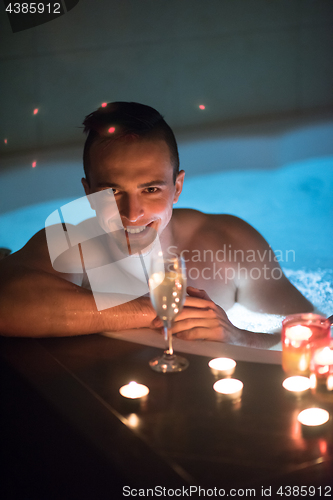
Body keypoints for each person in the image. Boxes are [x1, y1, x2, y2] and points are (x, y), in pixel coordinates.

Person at [0, 102, 313, 347]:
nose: (132, 213)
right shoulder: (74, 238)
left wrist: (241, 338)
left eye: (150, 189)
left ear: (176, 188)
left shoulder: (228, 241)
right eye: (111, 192)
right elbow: (7, 303)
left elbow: (315, 330)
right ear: (87, 193)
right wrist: (154, 309)